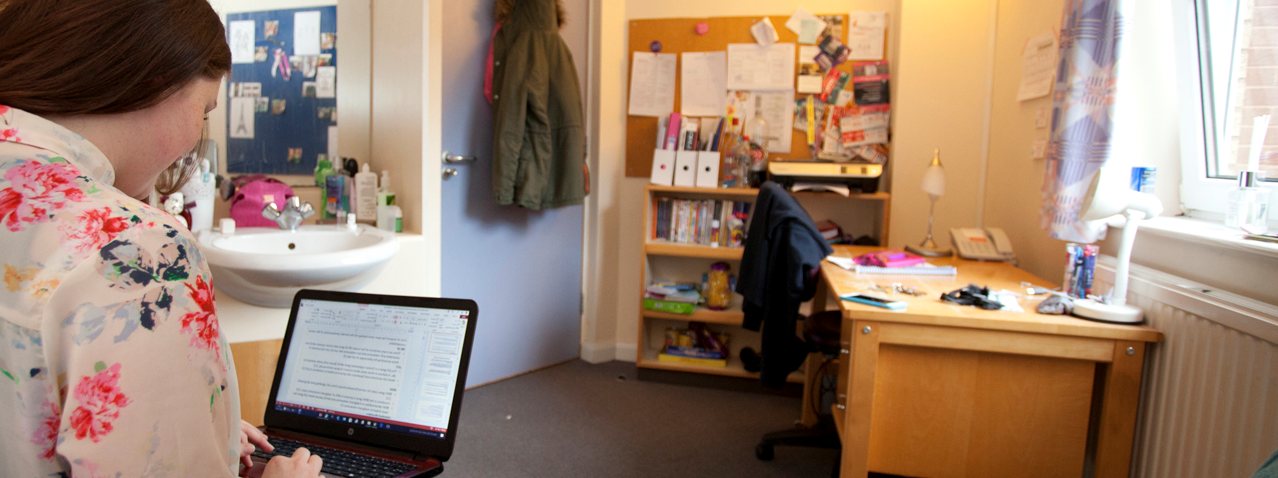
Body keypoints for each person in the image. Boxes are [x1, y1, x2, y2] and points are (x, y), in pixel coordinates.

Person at [0, 1, 321, 476]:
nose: (195, 137)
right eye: (205, 110)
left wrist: (195, 426)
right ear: (154, 78)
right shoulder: (136, 251)